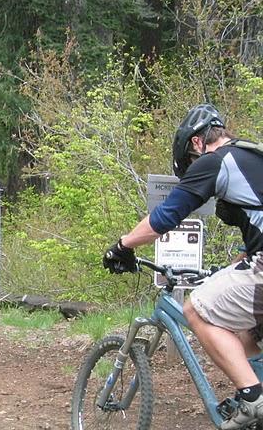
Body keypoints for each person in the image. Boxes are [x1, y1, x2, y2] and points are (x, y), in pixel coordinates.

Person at [103, 103, 263, 430]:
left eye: (191, 164)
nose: (194, 169)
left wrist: (122, 246)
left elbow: (166, 216)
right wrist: (242, 258)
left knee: (197, 309)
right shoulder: (252, 156)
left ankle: (252, 399)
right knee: (244, 334)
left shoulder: (216, 161)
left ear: (196, 143)